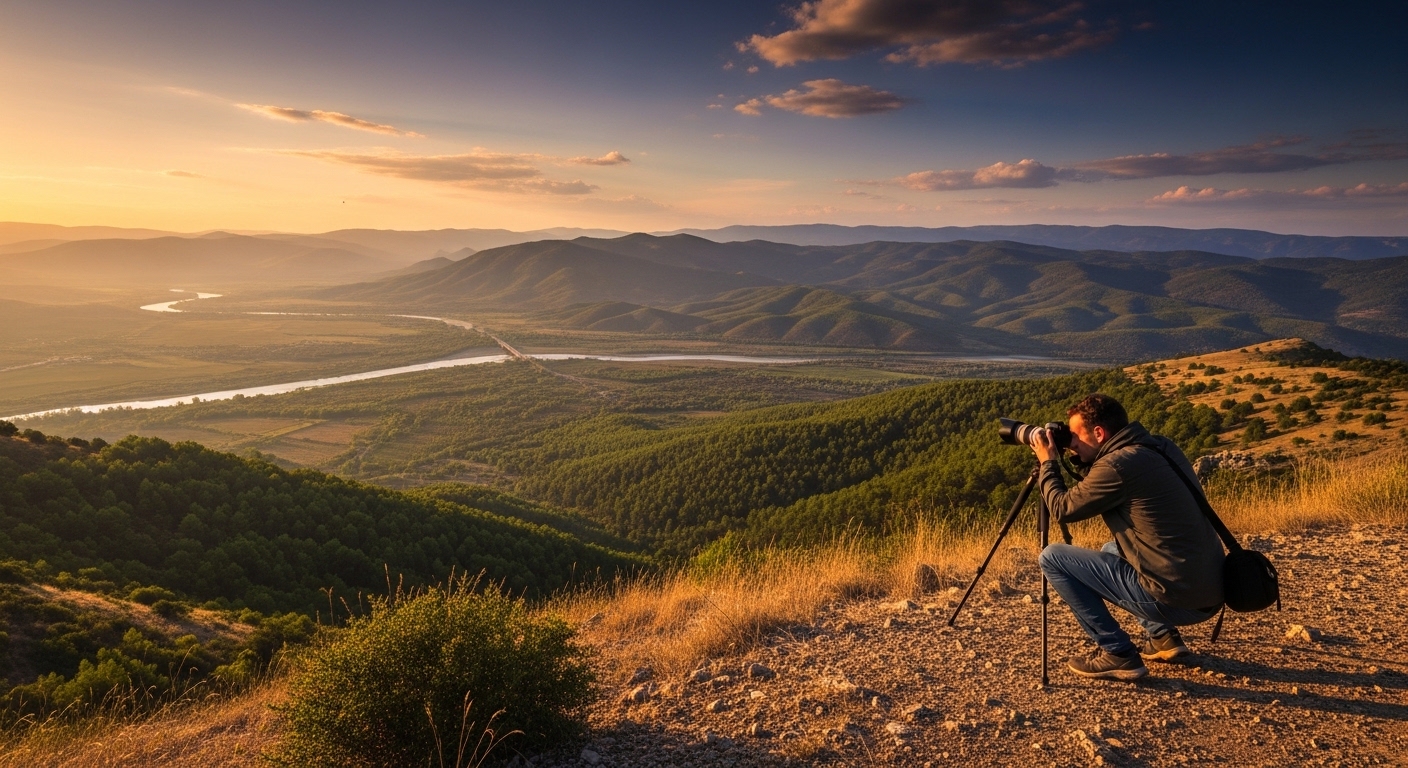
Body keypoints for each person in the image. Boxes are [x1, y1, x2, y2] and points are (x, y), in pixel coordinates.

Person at [1030, 393, 1224, 681]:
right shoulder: (1160, 446)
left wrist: (1048, 463)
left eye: (1076, 436)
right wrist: (1080, 454)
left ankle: (1118, 653)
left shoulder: (1116, 466)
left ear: (1099, 433)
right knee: (1112, 548)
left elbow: (1062, 508)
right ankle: (1163, 637)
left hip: (1176, 599)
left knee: (1052, 557)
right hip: (1212, 591)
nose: (1072, 443)